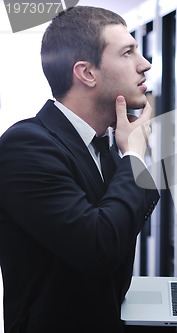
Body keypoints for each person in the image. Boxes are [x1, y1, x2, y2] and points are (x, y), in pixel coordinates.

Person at [0, 6, 161, 333]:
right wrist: (134, 157)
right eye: (128, 52)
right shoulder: (24, 147)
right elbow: (99, 248)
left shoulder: (104, 144)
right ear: (87, 73)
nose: (144, 64)